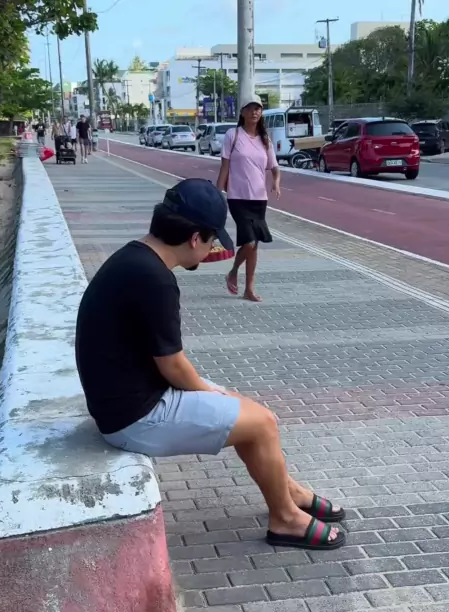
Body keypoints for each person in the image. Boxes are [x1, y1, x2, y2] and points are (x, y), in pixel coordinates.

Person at [75, 178, 346, 551]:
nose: (210, 251)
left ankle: (289, 491)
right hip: (134, 418)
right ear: (194, 238)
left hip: (123, 401)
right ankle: (285, 518)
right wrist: (211, 394)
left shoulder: (134, 258)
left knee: (248, 412)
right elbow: (172, 365)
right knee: (262, 423)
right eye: (212, 241)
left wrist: (219, 396)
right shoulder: (155, 280)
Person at [217, 95, 281, 303]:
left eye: (258, 108)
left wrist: (276, 182)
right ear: (242, 112)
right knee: (250, 242)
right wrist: (217, 194)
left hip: (259, 199)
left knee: (254, 245)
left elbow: (275, 167)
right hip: (237, 197)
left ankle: (249, 289)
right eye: (251, 108)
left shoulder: (265, 139)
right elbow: (224, 167)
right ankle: (233, 271)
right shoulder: (233, 135)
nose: (255, 112)